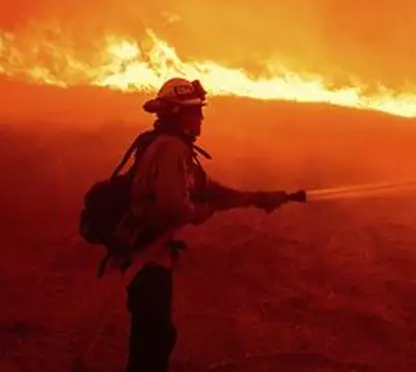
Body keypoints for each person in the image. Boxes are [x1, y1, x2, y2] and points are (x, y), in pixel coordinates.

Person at [117, 77, 293, 372]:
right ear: (177, 114)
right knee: (154, 340)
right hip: (148, 258)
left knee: (153, 334)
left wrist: (256, 198)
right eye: (195, 111)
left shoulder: (169, 146)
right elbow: (173, 206)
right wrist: (202, 212)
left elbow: (207, 188)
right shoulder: (171, 149)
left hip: (147, 256)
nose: (201, 118)